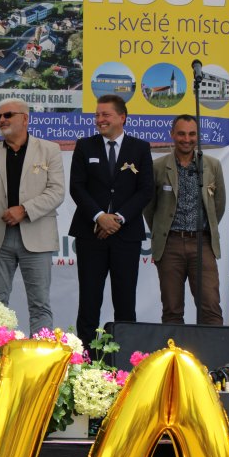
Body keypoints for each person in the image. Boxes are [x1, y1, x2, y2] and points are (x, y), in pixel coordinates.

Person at [0, 98, 65, 335]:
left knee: (39, 304)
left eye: (7, 115)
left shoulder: (49, 150)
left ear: (25, 119)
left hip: (37, 236)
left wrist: (24, 210)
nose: (1, 120)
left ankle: (40, 355)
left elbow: (57, 192)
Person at [68, 94, 153, 349]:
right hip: (90, 234)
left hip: (126, 237)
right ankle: (84, 358)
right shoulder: (85, 146)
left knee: (125, 301)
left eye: (105, 114)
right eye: (97, 115)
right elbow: (77, 187)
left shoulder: (140, 148)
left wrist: (118, 219)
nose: (99, 119)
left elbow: (146, 190)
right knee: (89, 301)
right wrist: (99, 217)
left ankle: (125, 358)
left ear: (122, 117)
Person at [144, 115, 226, 326]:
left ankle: (213, 348)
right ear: (172, 134)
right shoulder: (158, 167)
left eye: (192, 134)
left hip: (202, 243)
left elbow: (218, 205)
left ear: (198, 136)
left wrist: (204, 230)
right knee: (172, 310)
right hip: (170, 244)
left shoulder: (212, 166)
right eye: (181, 134)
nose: (186, 139)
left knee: (210, 308)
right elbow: (149, 208)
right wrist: (163, 231)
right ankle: (175, 349)